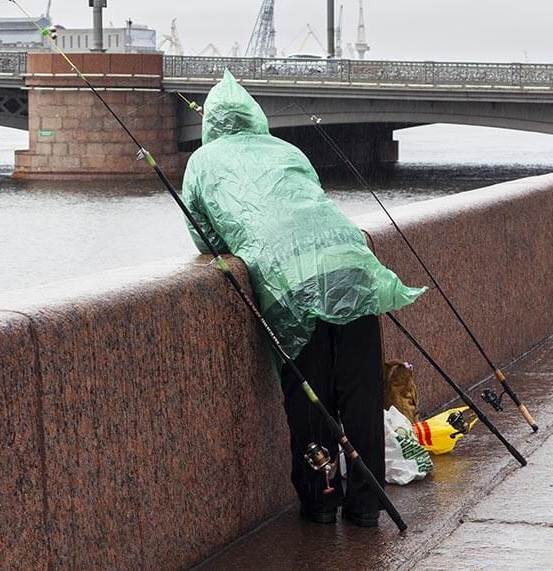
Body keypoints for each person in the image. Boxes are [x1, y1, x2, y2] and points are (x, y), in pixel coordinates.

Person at [181, 71, 425, 527]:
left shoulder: (202, 161)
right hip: (351, 263)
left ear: (211, 123)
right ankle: (367, 506)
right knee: (361, 392)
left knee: (310, 396)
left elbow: (203, 237)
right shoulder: (287, 149)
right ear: (255, 117)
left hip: (290, 283)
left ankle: (320, 499)